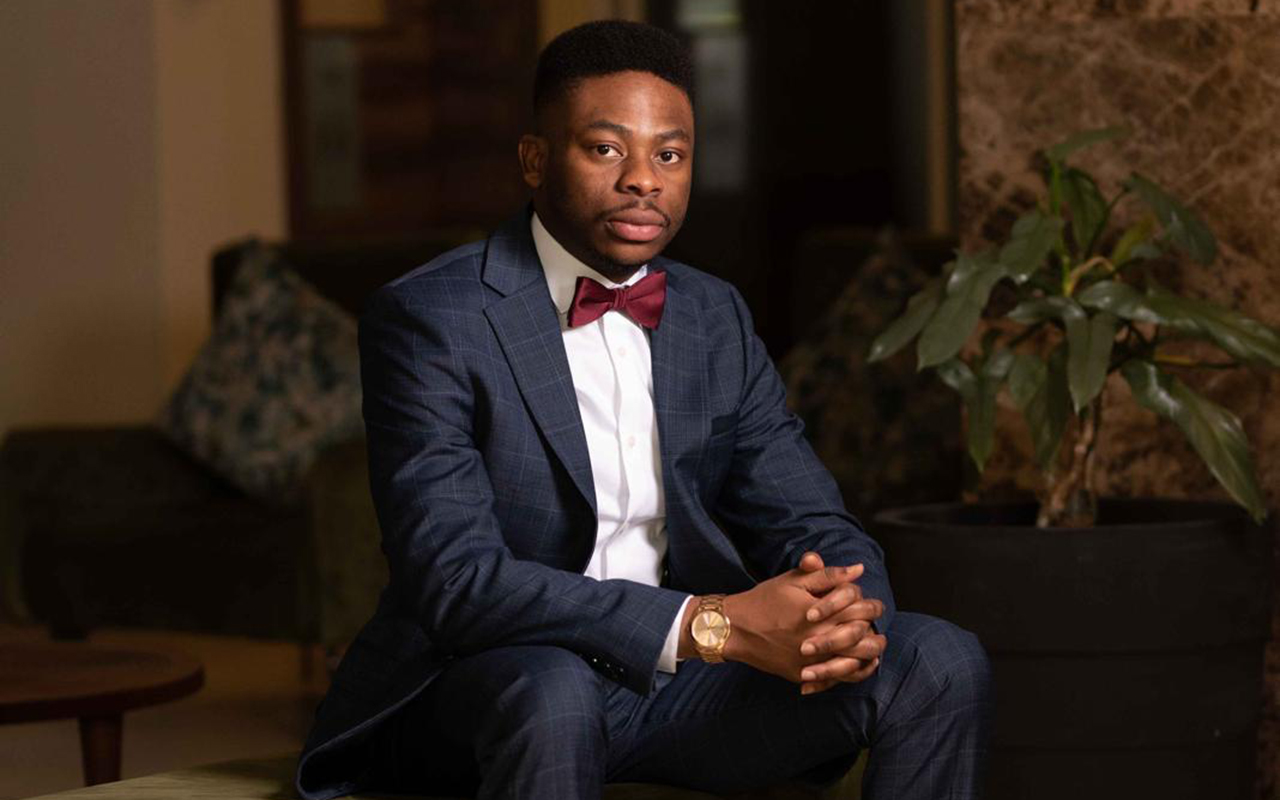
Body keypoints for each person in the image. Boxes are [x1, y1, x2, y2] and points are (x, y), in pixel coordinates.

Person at [296, 20, 990, 800]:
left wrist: (844, 616)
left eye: (669, 155)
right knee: (553, 693)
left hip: (678, 694)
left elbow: (807, 516)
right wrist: (710, 625)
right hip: (487, 683)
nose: (643, 181)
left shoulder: (712, 315)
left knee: (938, 660)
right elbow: (458, 582)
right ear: (534, 159)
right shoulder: (433, 317)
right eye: (605, 149)